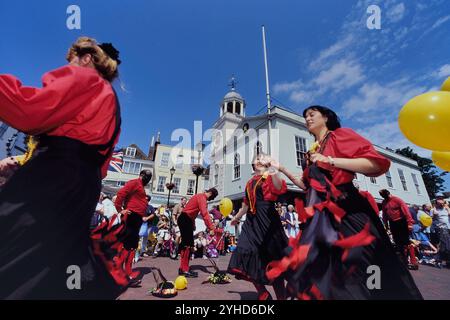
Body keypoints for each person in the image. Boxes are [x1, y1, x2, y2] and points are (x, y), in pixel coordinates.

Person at [0, 37, 122, 299]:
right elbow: (97, 165)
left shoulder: (86, 80)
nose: (68, 67)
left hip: (54, 181)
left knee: (13, 259)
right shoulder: (111, 101)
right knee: (42, 270)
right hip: (82, 190)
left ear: (86, 58)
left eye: (71, 61)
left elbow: (28, 109)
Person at [267, 105, 422, 300]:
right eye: (305, 116)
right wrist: (280, 168)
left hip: (348, 211)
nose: (307, 118)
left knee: (364, 270)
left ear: (326, 118)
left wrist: (331, 160)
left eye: (312, 114)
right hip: (322, 221)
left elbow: (375, 164)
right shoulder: (312, 151)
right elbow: (306, 185)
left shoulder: (339, 136)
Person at [228, 153, 288, 300]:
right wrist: (236, 218)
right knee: (243, 252)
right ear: (253, 164)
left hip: (267, 219)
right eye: (258, 158)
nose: (260, 160)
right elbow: (245, 205)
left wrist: (272, 169)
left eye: (263, 158)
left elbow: (279, 187)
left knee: (272, 258)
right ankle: (262, 293)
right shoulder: (249, 182)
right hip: (251, 223)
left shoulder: (269, 176)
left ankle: (281, 296)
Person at [114, 170, 153, 284]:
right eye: (147, 176)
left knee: (132, 245)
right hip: (131, 216)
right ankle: (121, 274)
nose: (148, 178)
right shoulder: (134, 183)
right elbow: (121, 194)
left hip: (137, 218)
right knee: (128, 244)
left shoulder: (140, 186)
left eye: (150, 177)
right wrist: (120, 210)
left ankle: (128, 273)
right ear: (141, 175)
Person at [177, 188, 218, 277]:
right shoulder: (202, 198)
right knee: (188, 244)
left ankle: (182, 268)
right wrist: (211, 227)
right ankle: (184, 270)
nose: (211, 199)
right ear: (210, 193)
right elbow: (205, 213)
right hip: (185, 219)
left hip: (185, 219)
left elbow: (191, 210)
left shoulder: (198, 196)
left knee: (187, 244)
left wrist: (193, 223)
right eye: (212, 197)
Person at [379, 189, 417, 269]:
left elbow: (406, 212)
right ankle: (404, 262)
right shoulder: (384, 202)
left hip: (401, 222)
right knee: (398, 243)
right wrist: (385, 224)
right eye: (382, 196)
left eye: (385, 195)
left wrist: (410, 223)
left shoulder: (397, 200)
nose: (384, 197)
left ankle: (413, 262)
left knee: (406, 242)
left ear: (388, 193)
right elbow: (385, 214)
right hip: (393, 223)